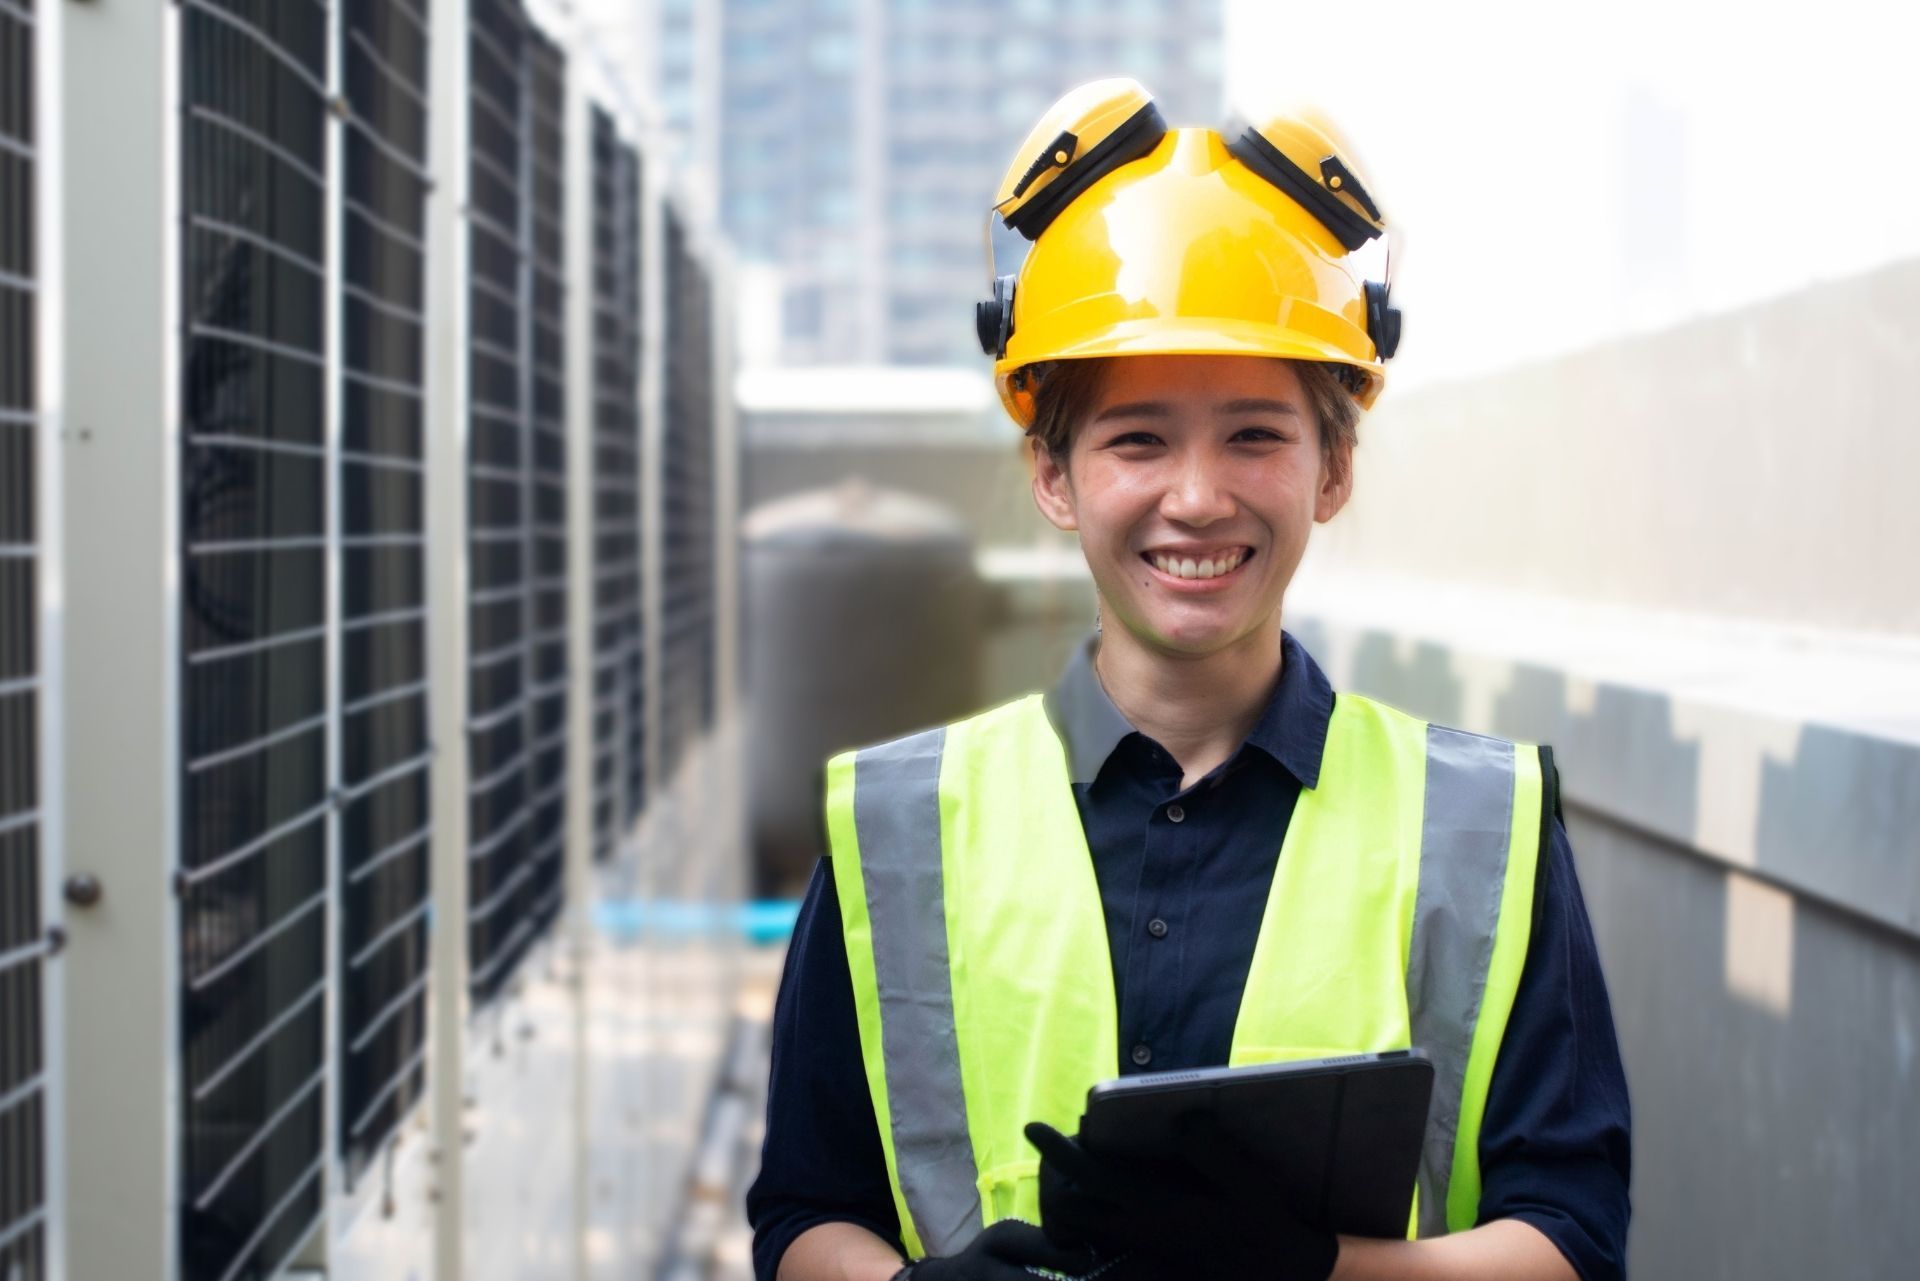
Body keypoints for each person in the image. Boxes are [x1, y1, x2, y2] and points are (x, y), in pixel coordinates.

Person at [747, 80, 1631, 1281]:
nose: (1199, 495)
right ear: (1053, 476)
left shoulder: (1484, 825)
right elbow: (803, 1215)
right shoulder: (897, 826)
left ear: (1333, 470)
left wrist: (1319, 1267)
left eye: (1257, 434)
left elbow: (1574, 1236)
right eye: (1138, 438)